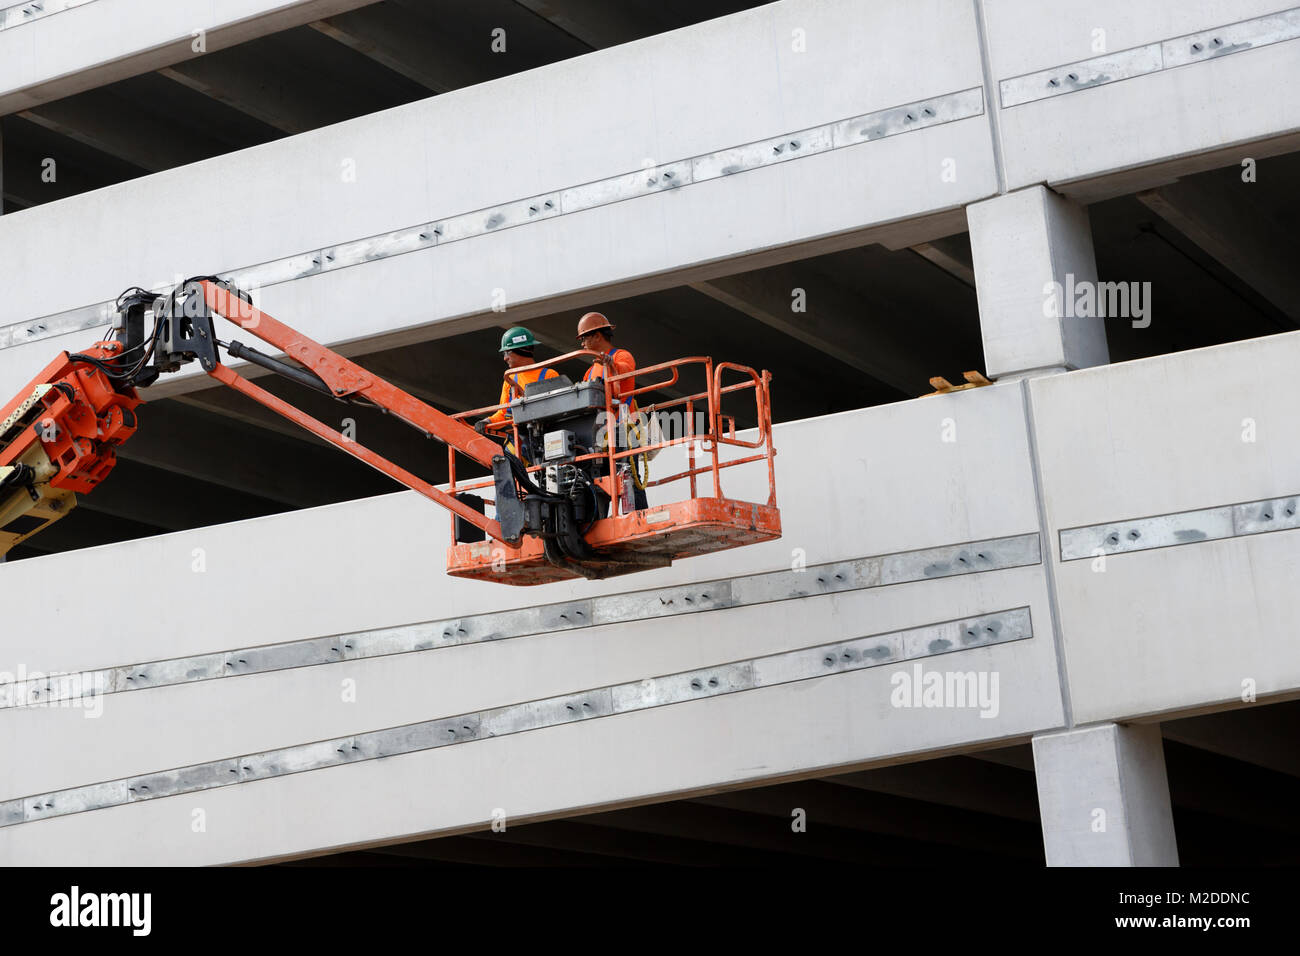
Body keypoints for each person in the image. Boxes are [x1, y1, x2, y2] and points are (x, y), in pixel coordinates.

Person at [576, 312, 648, 511]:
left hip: (624, 427)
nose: (582, 344)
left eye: (584, 338)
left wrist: (611, 364)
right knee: (599, 478)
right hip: (601, 432)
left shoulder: (620, 356)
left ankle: (637, 515)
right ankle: (599, 519)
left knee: (629, 476)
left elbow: (626, 369)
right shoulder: (590, 371)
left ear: (598, 336)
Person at [476, 326, 558, 442]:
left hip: (547, 436)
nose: (505, 358)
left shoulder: (549, 375)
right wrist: (487, 421)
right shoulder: (509, 381)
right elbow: (503, 414)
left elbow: (559, 410)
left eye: (507, 352)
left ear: (522, 350)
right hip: (522, 439)